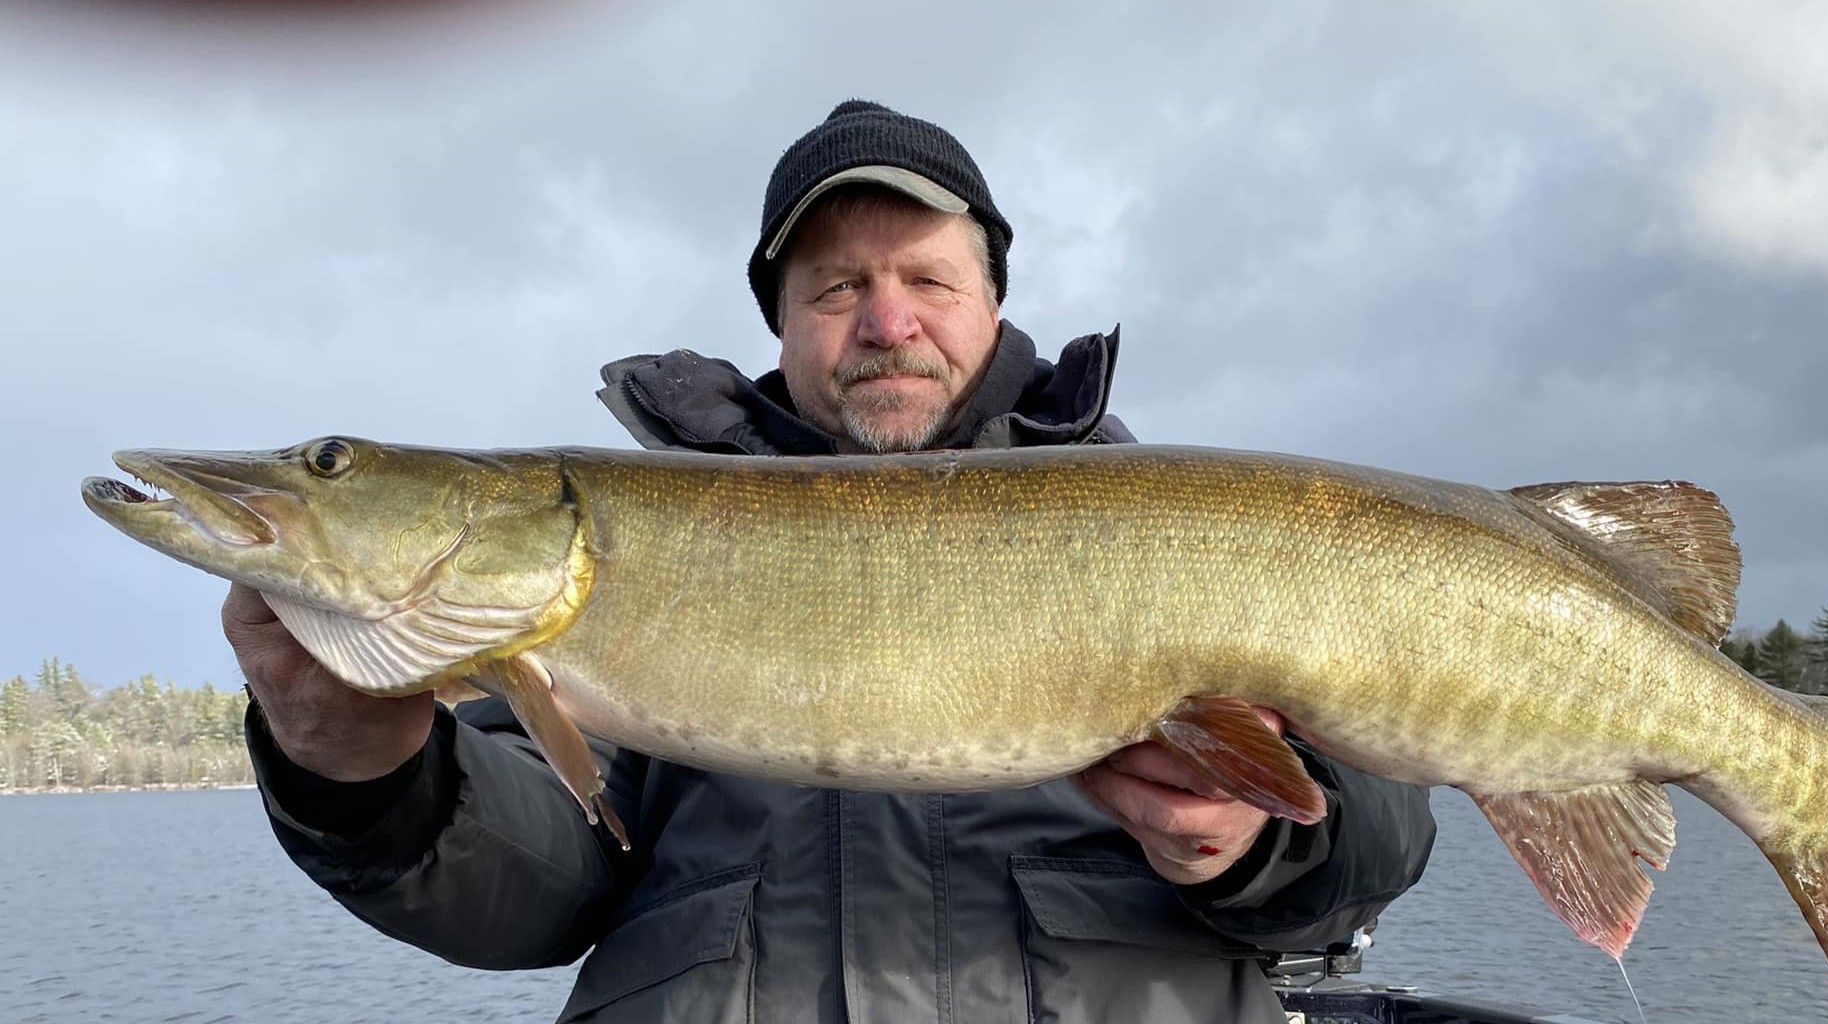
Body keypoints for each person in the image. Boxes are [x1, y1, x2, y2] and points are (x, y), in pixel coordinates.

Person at [226, 99, 1436, 1024]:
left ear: (992, 302)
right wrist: (363, 774)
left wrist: (1265, 837)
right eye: (836, 286)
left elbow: (1378, 827)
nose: (886, 321)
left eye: (926, 279)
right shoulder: (574, 581)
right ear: (783, 321)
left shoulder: (1177, 517)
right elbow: (537, 885)